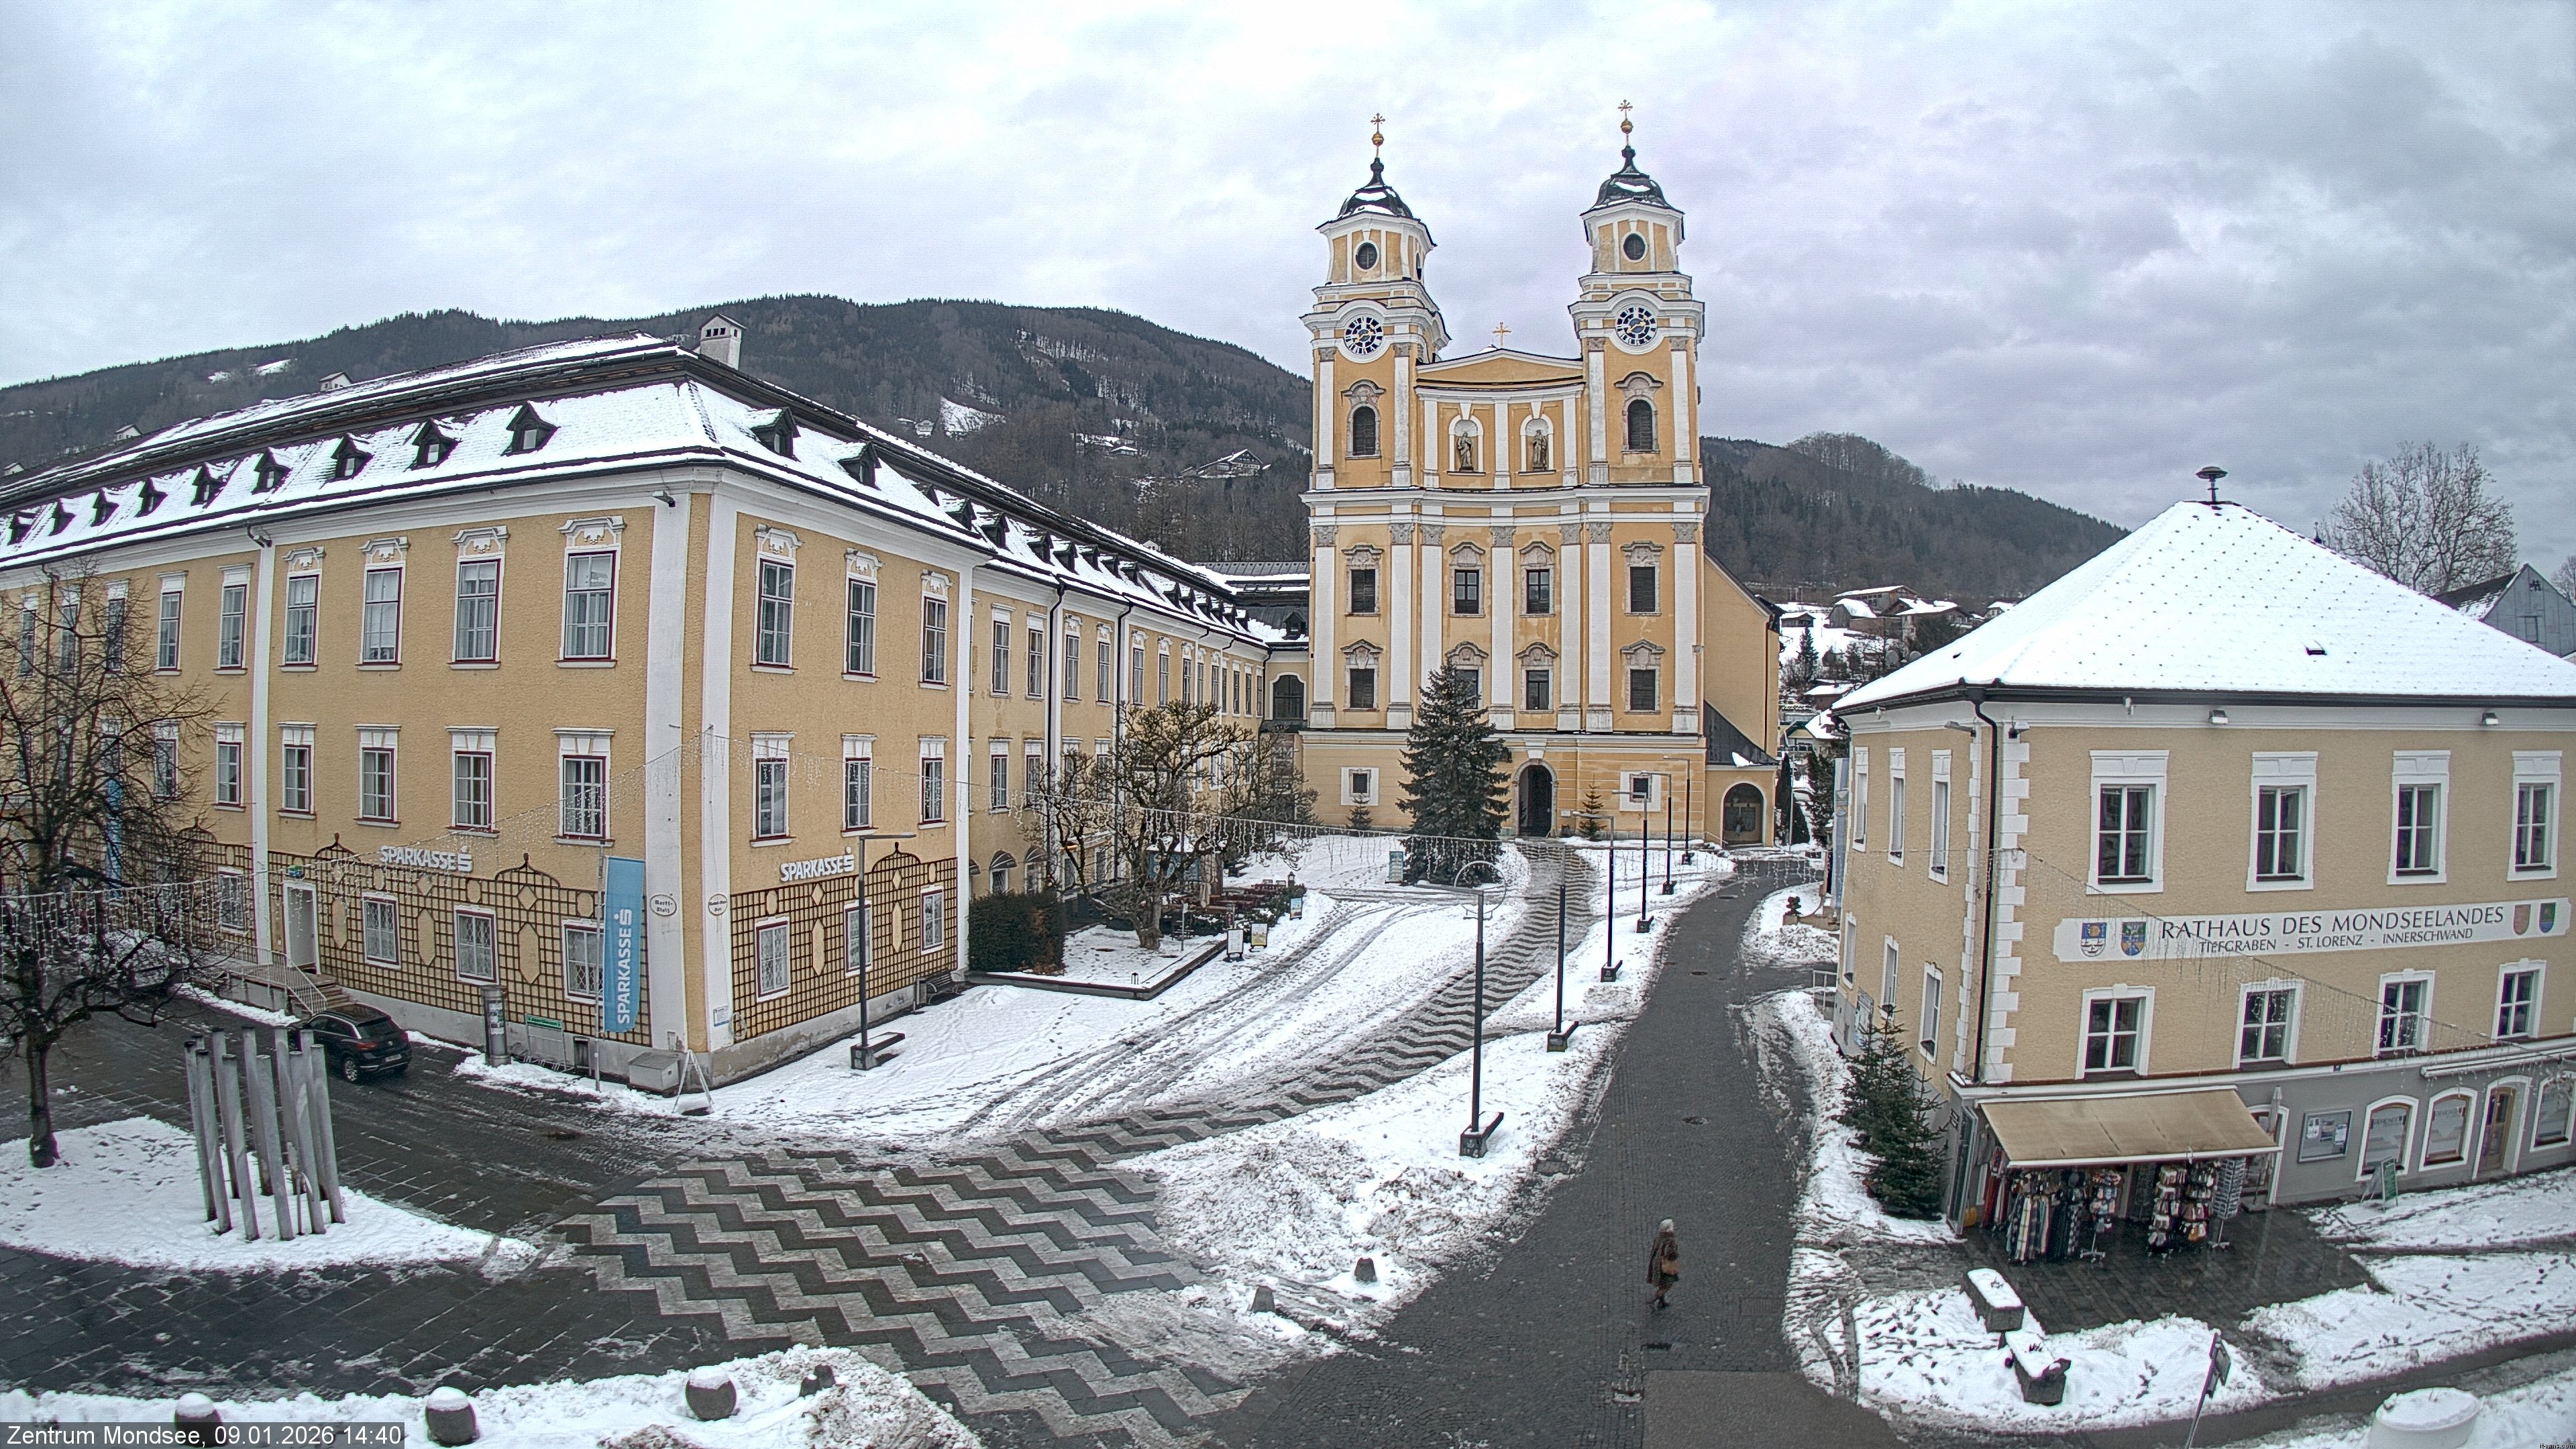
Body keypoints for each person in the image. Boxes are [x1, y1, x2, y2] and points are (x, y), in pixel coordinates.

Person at [1646, 1219, 1680, 1309]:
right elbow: (1671, 1254)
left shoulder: (1659, 1238)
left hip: (1656, 1264)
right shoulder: (1670, 1241)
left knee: (1662, 1284)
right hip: (1665, 1266)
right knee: (1667, 1284)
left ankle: (1662, 1302)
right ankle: (1653, 1300)